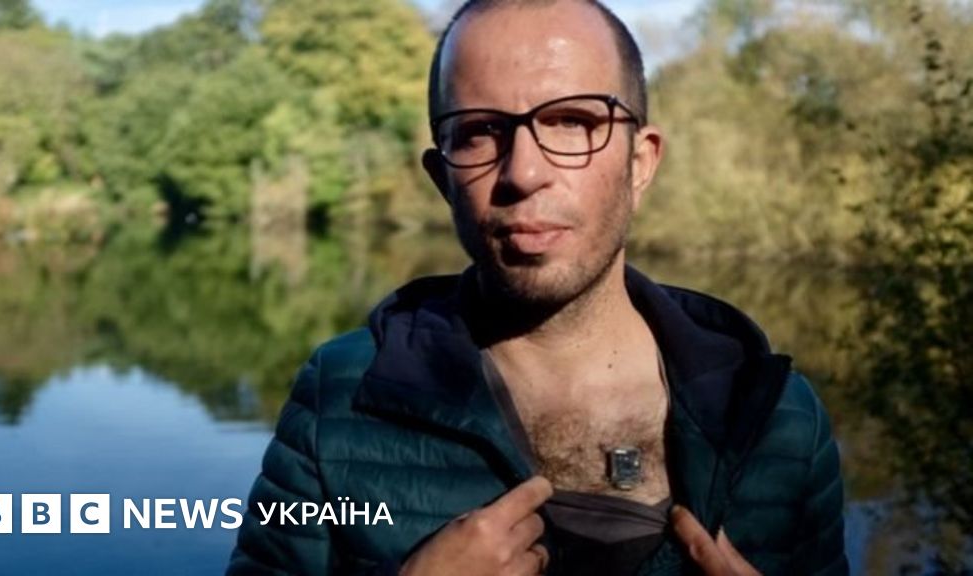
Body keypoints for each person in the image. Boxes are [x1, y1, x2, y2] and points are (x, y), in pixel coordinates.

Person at [227, 0, 847, 574]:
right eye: (479, 130)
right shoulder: (338, 398)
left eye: (572, 121)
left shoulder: (779, 418)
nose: (523, 172)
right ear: (443, 180)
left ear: (640, 163)